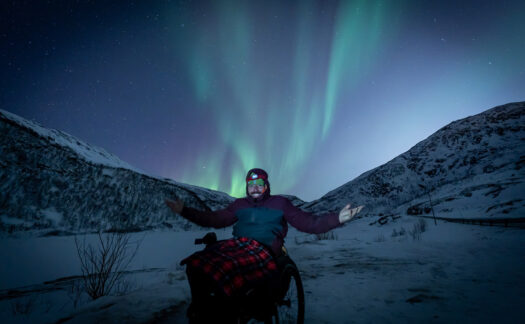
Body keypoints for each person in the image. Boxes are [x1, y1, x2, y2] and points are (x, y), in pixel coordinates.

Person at [165, 168, 363, 321]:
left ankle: (234, 310)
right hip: (238, 244)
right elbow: (215, 219)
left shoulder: (280, 203)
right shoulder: (239, 205)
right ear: (247, 187)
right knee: (197, 261)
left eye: (260, 183)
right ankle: (201, 308)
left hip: (263, 248)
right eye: (251, 184)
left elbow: (309, 222)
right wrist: (185, 211)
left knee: (231, 268)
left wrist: (337, 218)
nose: (255, 187)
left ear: (266, 185)